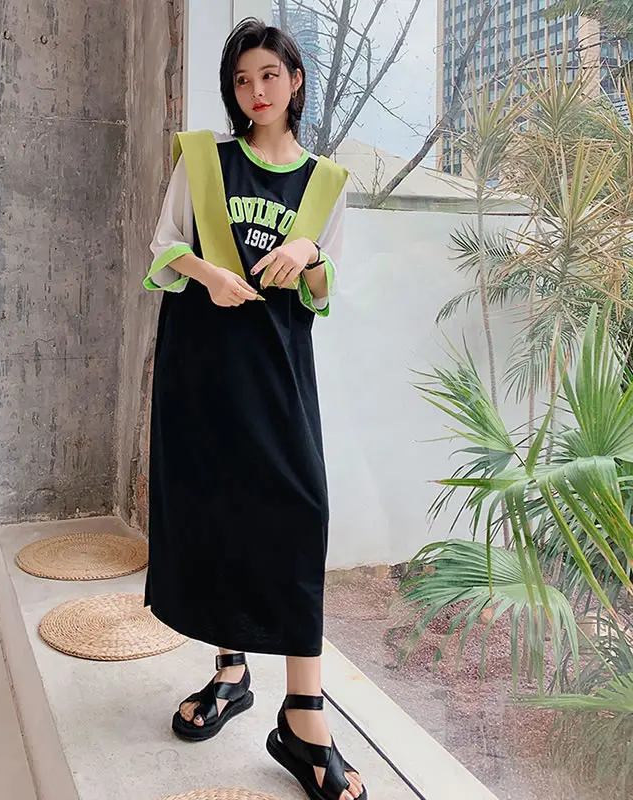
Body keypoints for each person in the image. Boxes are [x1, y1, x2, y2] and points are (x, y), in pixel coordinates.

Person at [142, 17, 366, 800]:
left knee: (302, 512)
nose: (255, 91)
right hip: (201, 368)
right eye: (242, 80)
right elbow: (164, 245)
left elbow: (322, 293)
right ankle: (232, 673)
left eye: (269, 75)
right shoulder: (204, 160)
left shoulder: (326, 183)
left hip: (278, 374)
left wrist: (311, 252)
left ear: (295, 80)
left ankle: (302, 714)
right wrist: (208, 273)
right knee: (215, 512)